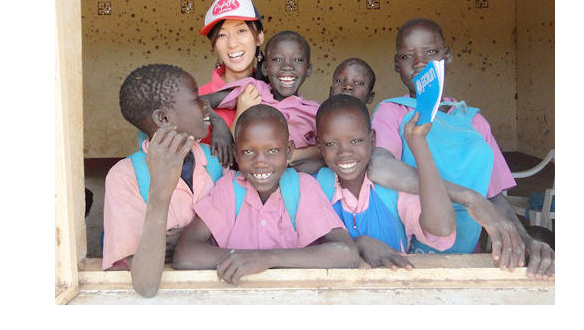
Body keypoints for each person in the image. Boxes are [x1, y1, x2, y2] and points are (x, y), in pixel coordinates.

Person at [369, 18, 554, 279]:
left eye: (431, 52)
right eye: (407, 56)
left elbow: (494, 196)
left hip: (469, 255)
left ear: (447, 56)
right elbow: (379, 166)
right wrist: (469, 197)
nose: (419, 62)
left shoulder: (474, 120)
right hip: (408, 258)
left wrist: (525, 241)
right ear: (396, 64)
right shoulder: (392, 111)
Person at [172, 104, 360, 284]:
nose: (260, 162)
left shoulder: (303, 188)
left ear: (288, 152)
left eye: (272, 150)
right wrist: (245, 260)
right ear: (236, 155)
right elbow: (185, 255)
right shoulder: (229, 189)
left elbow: (346, 253)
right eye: (248, 151)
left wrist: (266, 259)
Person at [102, 64, 225, 297]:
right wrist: (159, 192)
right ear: (163, 118)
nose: (206, 105)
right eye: (196, 98)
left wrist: (189, 239)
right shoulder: (124, 177)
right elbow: (146, 285)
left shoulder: (219, 159)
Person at [315, 94, 456, 268]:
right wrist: (360, 243)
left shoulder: (393, 190)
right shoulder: (316, 188)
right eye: (331, 144)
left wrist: (419, 145)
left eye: (356, 141)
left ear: (372, 139)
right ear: (319, 146)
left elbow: (441, 228)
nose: (345, 152)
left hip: (392, 289)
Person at [202, 30, 323, 173]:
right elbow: (197, 101)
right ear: (265, 68)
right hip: (248, 179)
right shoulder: (253, 90)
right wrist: (218, 123)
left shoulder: (315, 112)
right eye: (278, 59)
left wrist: (292, 156)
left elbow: (329, 148)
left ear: (308, 69)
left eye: (297, 60)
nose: (287, 67)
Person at [198, 0, 266, 145]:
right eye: (221, 35)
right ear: (214, 45)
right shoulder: (197, 99)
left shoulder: (275, 89)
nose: (232, 44)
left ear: (259, 37)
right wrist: (241, 113)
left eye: (241, 31)